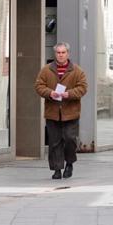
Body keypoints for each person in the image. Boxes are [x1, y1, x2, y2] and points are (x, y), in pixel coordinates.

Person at [35, 43, 88, 180]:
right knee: (54, 142)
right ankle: (57, 169)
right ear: (55, 54)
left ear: (68, 54)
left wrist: (69, 94)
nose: (61, 55)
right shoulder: (46, 70)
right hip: (52, 112)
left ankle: (69, 163)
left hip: (71, 112)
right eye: (58, 52)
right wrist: (50, 93)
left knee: (70, 139)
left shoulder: (77, 71)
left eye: (63, 52)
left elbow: (83, 88)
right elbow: (39, 86)